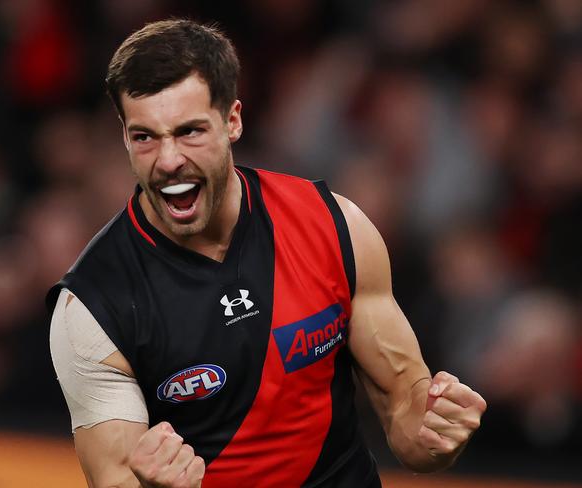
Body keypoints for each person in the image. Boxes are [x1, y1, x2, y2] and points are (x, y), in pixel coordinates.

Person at [47, 19, 486, 488]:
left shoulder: (334, 228)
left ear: (232, 120)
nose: (169, 159)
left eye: (190, 131)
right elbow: (114, 478)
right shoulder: (93, 307)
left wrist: (436, 428)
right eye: (145, 137)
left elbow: (408, 423)